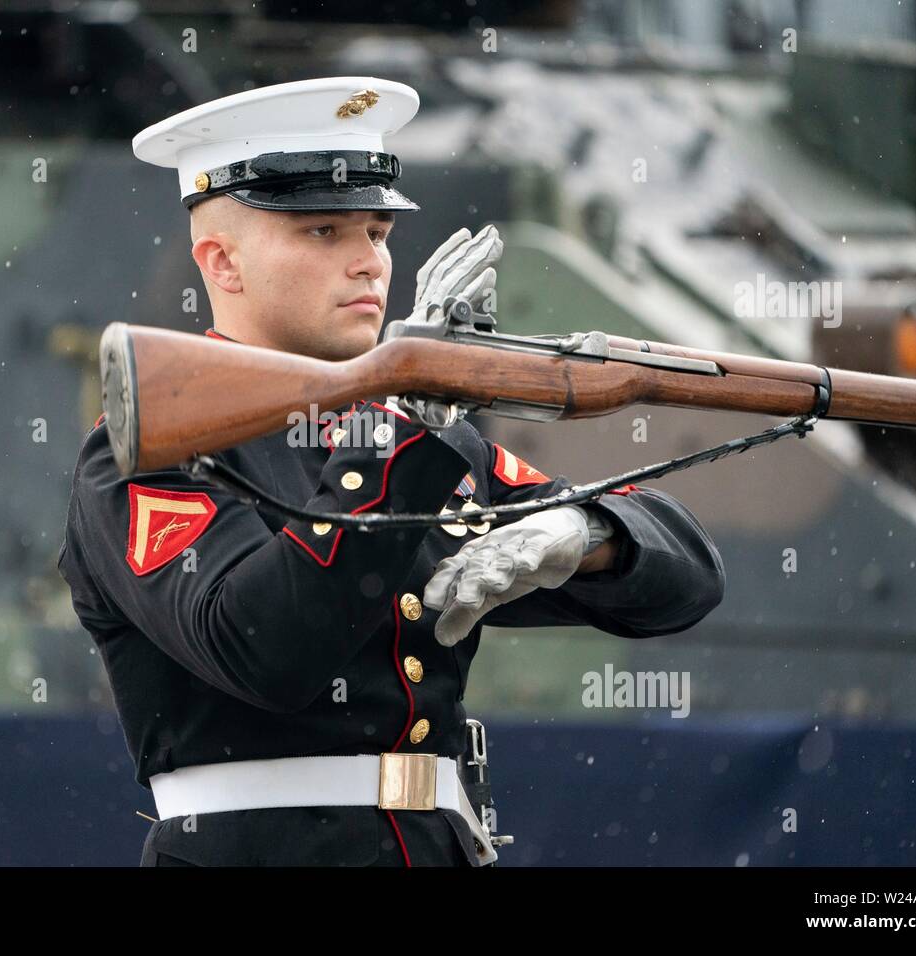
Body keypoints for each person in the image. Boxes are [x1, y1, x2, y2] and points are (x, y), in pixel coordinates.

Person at [57, 76, 725, 866]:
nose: (369, 262)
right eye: (323, 233)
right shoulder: (152, 453)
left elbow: (690, 581)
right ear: (222, 263)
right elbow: (263, 648)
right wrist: (401, 422)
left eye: (377, 231)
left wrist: (587, 535)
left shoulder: (430, 440)